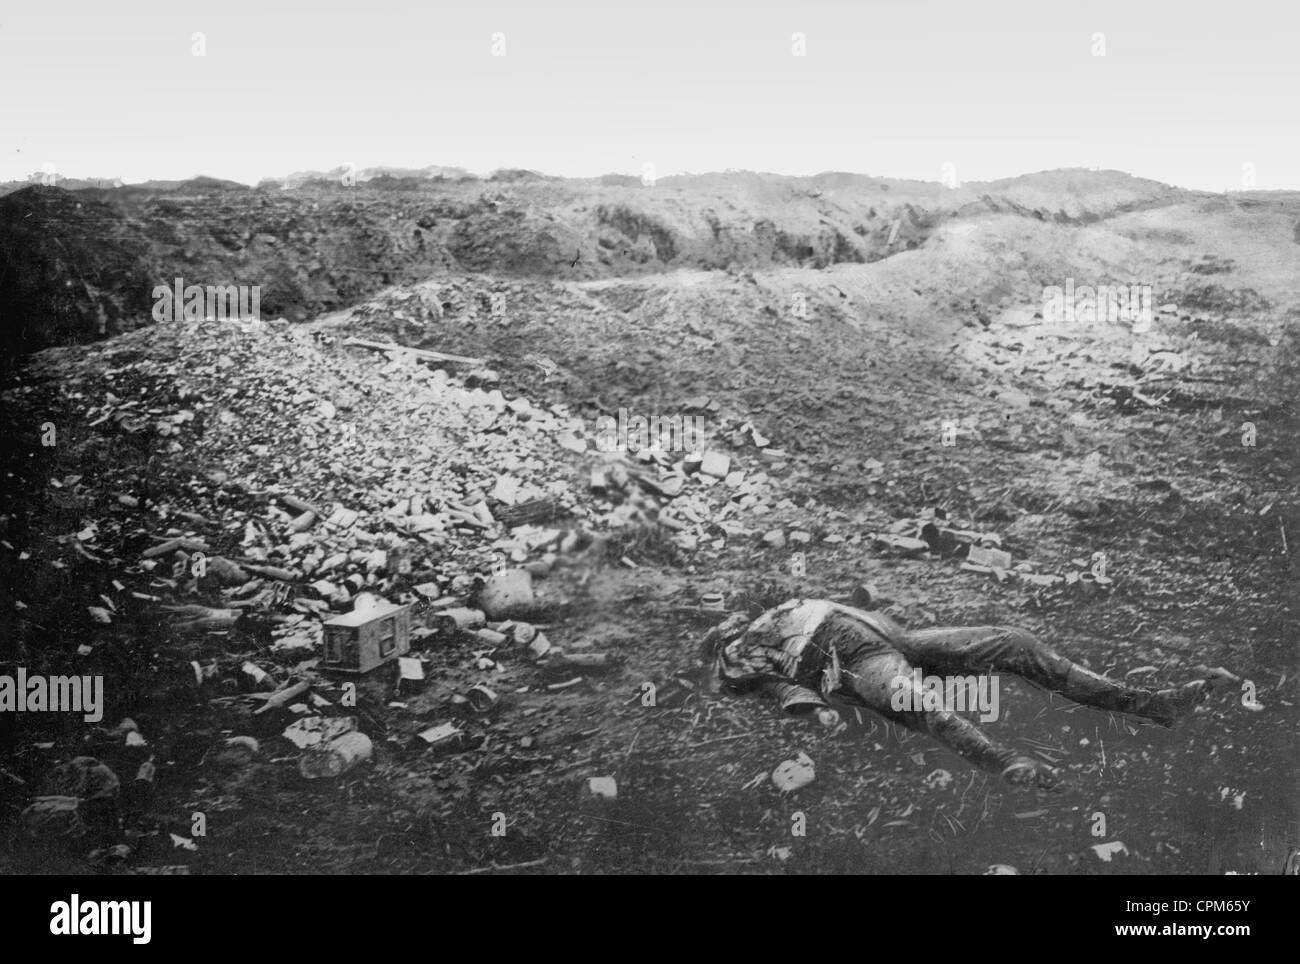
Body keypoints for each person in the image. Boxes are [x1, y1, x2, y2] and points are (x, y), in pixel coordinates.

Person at [700, 598, 1238, 789]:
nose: (728, 623)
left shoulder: (777, 610)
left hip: (898, 638)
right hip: (856, 664)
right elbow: (777, 688)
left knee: (1014, 641)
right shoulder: (735, 655)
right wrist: (812, 708)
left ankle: (1154, 703)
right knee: (921, 702)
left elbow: (855, 607)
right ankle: (1004, 761)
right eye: (719, 627)